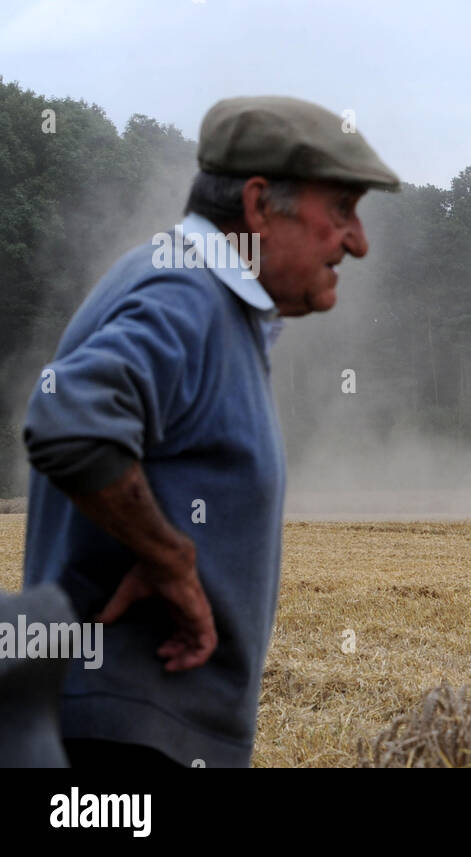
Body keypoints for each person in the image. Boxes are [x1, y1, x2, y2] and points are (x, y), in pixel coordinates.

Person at [20, 96, 400, 767]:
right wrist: (172, 559)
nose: (358, 242)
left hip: (136, 730)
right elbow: (69, 418)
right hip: (126, 740)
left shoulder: (192, 290)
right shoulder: (185, 294)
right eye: (341, 209)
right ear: (258, 205)